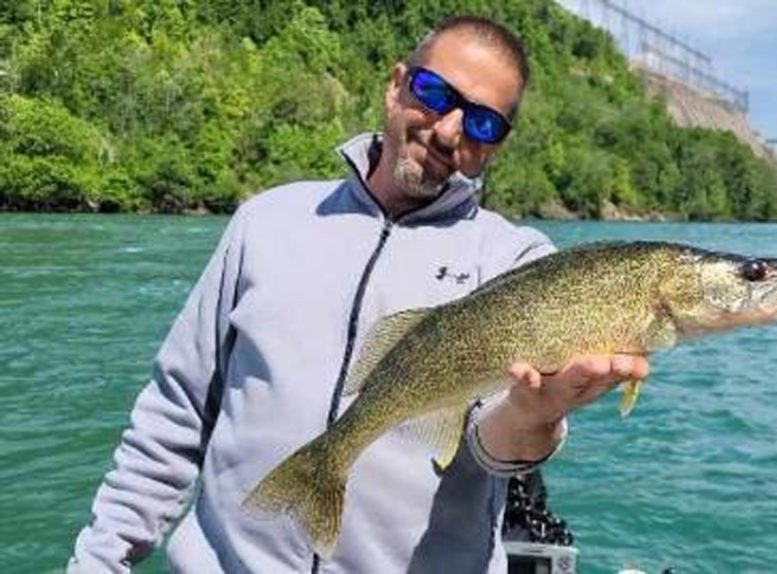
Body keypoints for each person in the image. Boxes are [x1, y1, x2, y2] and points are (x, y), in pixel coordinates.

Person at [68, 15, 649, 573]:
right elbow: (175, 414)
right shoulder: (264, 222)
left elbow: (492, 442)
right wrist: (99, 561)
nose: (449, 130)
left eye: (482, 123)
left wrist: (535, 414)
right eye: (434, 93)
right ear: (396, 86)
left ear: (496, 144)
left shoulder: (517, 263)